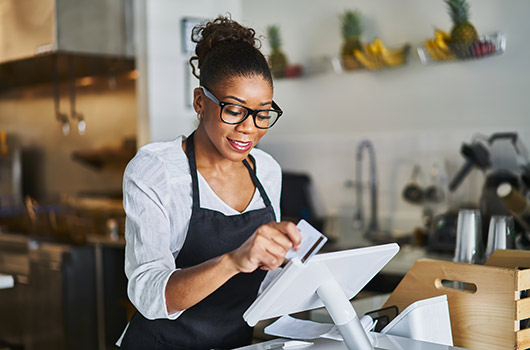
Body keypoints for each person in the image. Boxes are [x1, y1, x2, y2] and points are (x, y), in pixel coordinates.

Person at [118, 15, 302, 350]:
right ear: (200, 102)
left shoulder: (267, 169)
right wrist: (233, 261)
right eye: (234, 110)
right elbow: (147, 293)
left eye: (262, 113)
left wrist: (289, 263)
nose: (249, 128)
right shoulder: (156, 170)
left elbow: (259, 283)